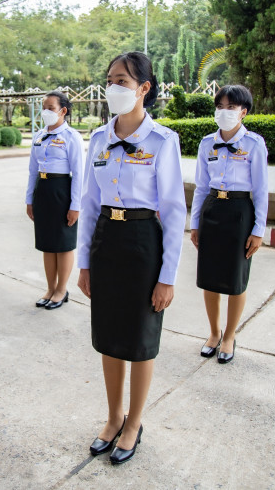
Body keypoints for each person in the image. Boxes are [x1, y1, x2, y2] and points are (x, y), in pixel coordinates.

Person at [77, 52, 187, 465]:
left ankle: (134, 422)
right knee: (109, 336)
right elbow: (90, 203)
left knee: (140, 338)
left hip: (144, 244)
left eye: (122, 81)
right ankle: (113, 417)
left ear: (144, 88)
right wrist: (84, 263)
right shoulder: (98, 139)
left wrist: (168, 276)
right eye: (110, 80)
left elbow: (173, 211)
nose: (113, 87)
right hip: (107, 241)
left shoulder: (163, 141)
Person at [189, 84, 269, 364]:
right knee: (210, 277)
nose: (224, 112)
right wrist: (195, 223)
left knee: (236, 279)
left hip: (239, 213)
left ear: (243, 112)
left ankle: (230, 335)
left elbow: (261, 190)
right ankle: (214, 333)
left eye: (231, 107)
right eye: (220, 107)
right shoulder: (206, 143)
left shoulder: (254, 144)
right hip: (212, 209)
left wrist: (258, 230)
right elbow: (201, 187)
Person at [25, 91, 84, 310]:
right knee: (47, 244)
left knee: (63, 244)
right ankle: (50, 289)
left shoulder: (71, 137)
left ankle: (61, 290)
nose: (45, 112)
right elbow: (32, 170)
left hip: (62, 191)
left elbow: (79, 174)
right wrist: (29, 199)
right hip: (42, 191)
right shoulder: (39, 136)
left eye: (50, 108)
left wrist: (75, 206)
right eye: (44, 108)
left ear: (63, 111)